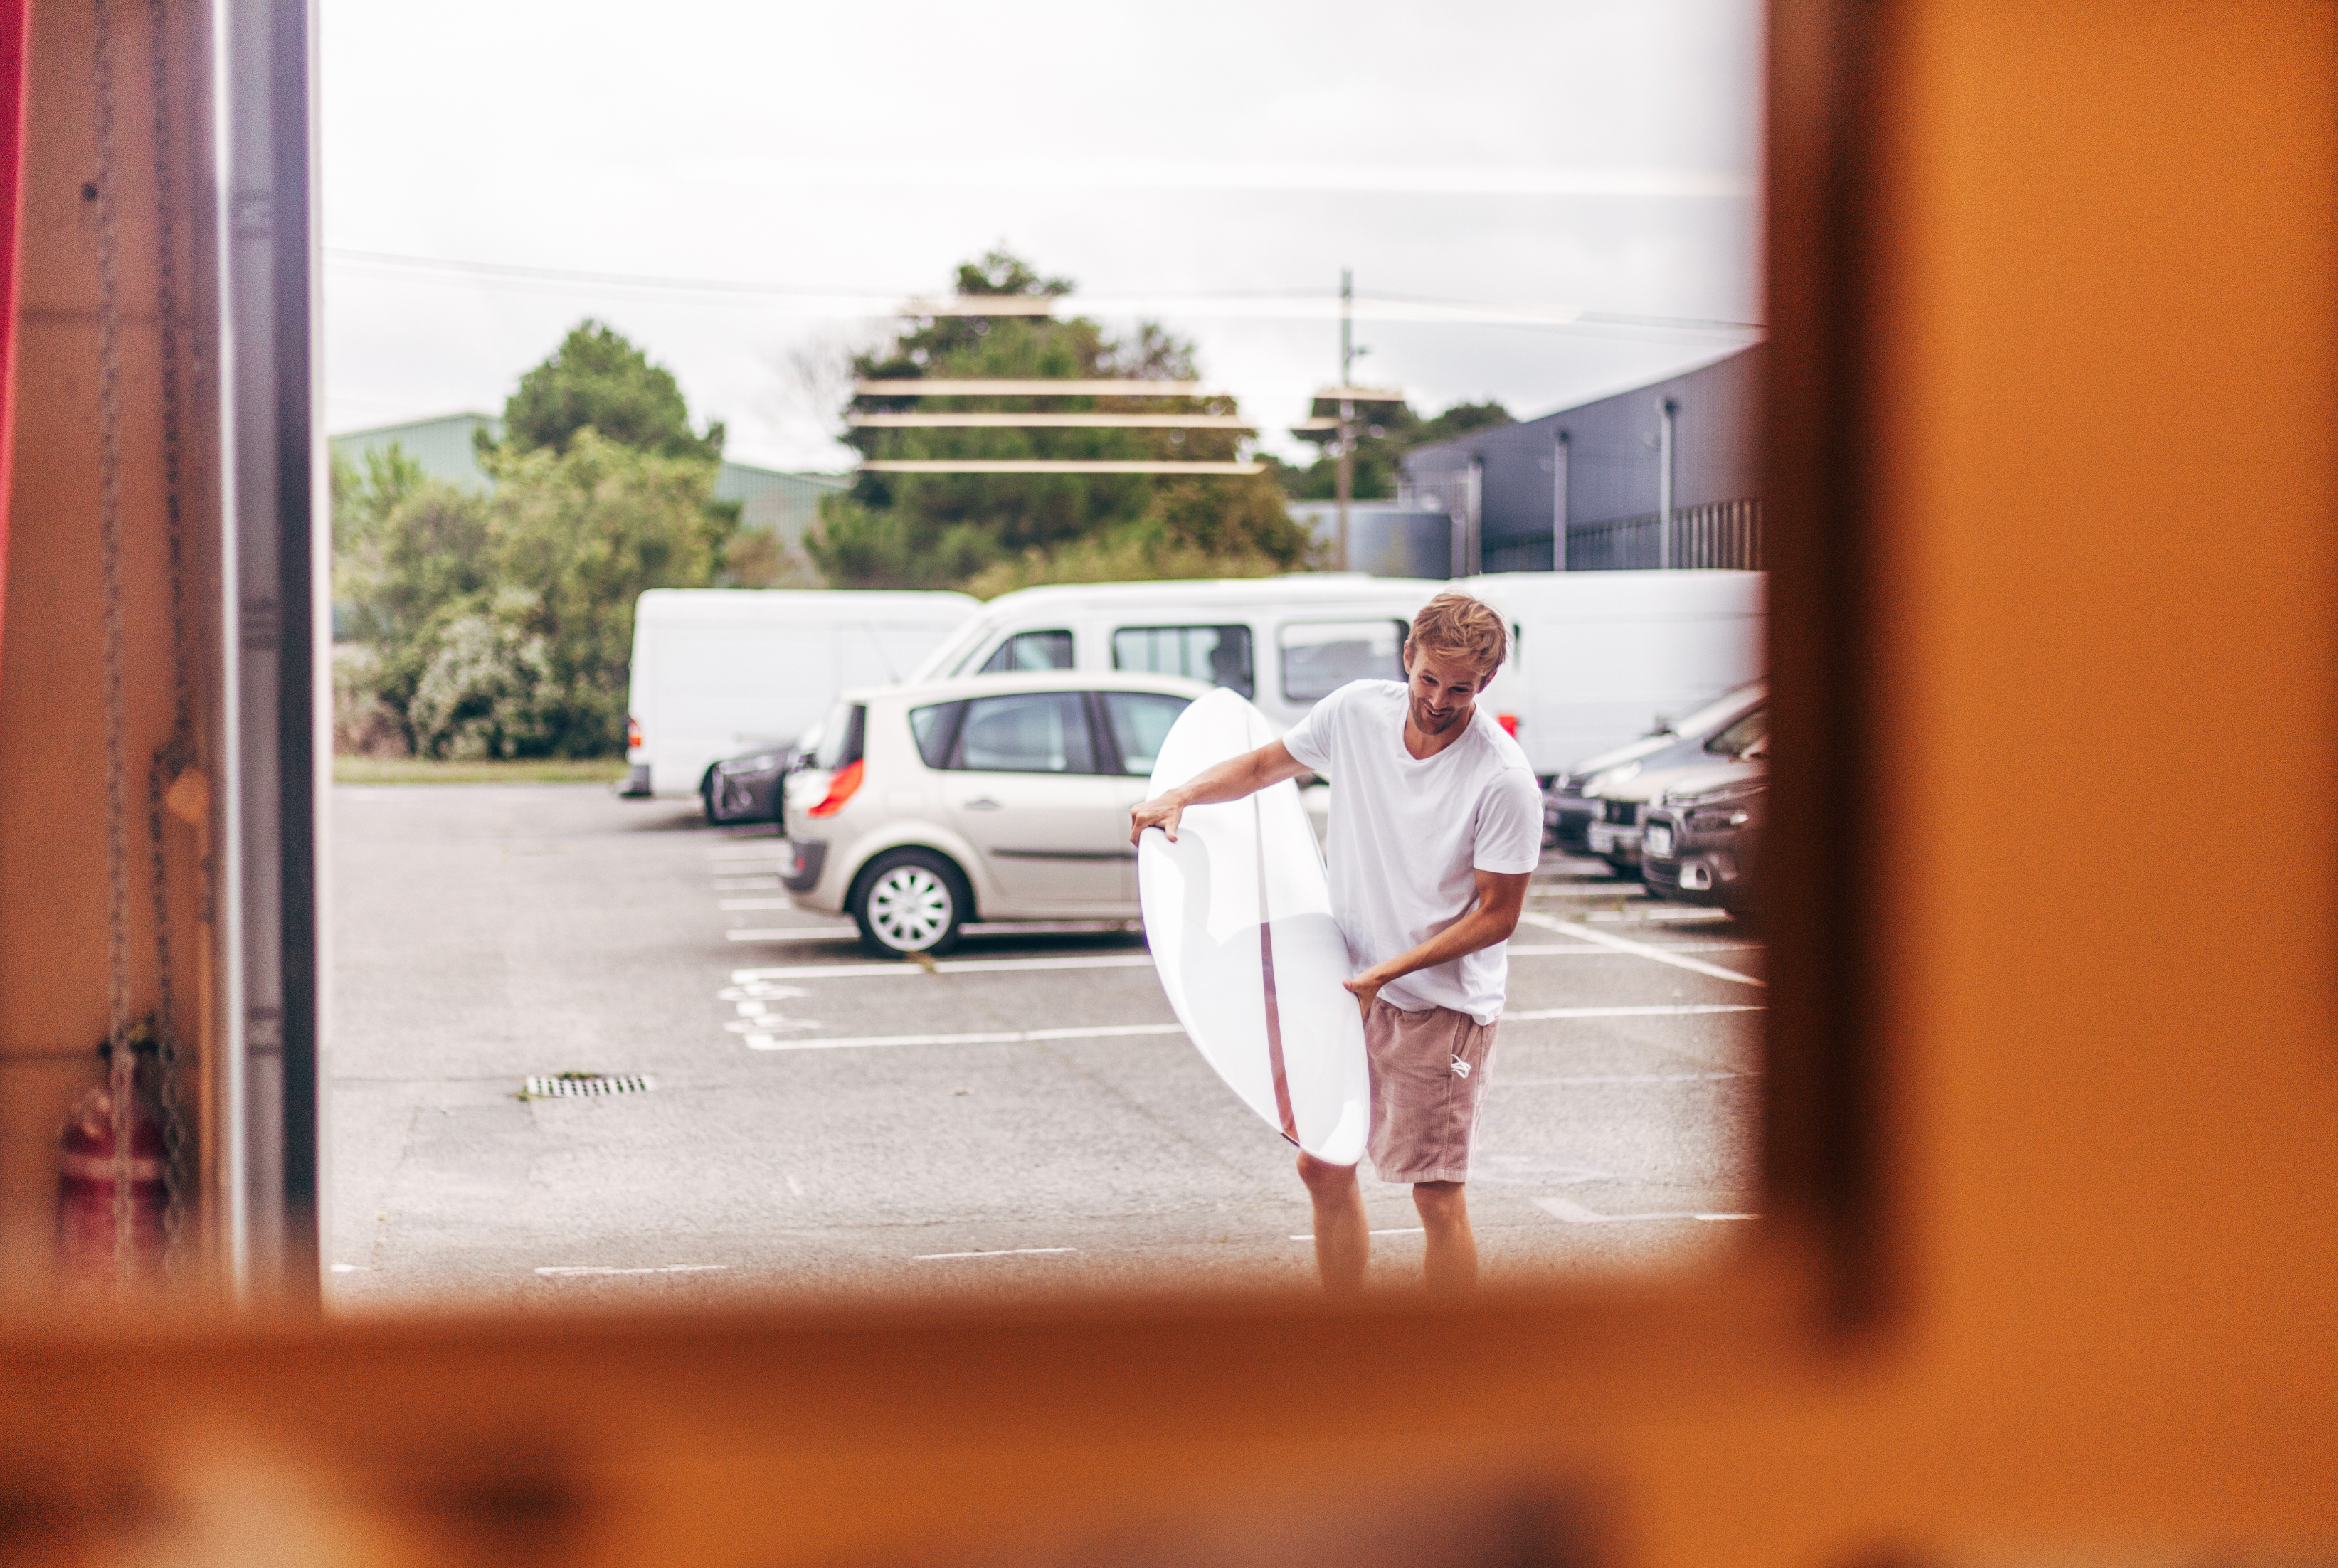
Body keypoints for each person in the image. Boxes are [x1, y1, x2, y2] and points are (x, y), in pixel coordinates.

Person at [1128, 593, 1539, 1293]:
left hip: (1437, 1006)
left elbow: (1497, 916)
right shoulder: (1355, 712)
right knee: (1321, 1163)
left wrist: (1389, 970)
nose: (1439, 699)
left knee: (1434, 1194)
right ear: (1407, 657)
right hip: (1350, 984)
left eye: (1460, 687)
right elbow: (1264, 766)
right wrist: (1181, 795)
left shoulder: (1501, 779)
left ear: (1486, 682)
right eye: (1428, 678)